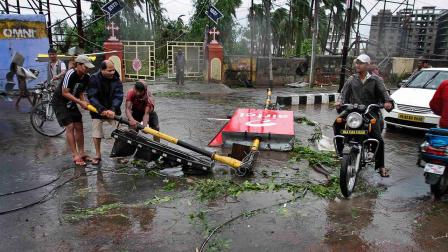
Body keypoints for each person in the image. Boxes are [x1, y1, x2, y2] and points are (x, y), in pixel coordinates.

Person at [335, 54, 394, 177]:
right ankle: (341, 153)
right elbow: (343, 93)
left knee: (378, 137)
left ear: (367, 65)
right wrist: (339, 102)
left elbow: (384, 94)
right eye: (356, 63)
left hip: (370, 111)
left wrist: (387, 102)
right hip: (353, 111)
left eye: (360, 63)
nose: (357, 65)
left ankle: (381, 166)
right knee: (337, 122)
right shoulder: (352, 79)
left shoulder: (376, 80)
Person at [52, 55, 95, 166]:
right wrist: (80, 102)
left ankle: (81, 153)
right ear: (78, 65)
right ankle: (75, 155)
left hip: (71, 103)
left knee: (79, 126)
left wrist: (83, 101)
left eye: (88, 67)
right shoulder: (70, 73)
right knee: (70, 126)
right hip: (60, 102)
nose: (87, 69)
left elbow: (80, 91)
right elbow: (65, 92)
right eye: (85, 66)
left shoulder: (86, 76)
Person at [87, 60, 124, 165]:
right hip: (98, 110)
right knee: (96, 132)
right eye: (109, 70)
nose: (112, 72)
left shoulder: (116, 79)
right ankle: (97, 155)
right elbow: (92, 96)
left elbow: (119, 96)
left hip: (112, 110)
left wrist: (112, 109)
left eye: (113, 70)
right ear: (102, 70)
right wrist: (101, 109)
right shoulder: (94, 78)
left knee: (120, 132)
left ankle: (119, 155)